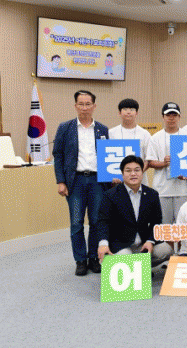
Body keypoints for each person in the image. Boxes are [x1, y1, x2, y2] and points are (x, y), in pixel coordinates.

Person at [53, 90, 109, 276]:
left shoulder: (102, 129)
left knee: (96, 221)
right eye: (81, 104)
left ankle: (94, 257)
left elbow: (108, 156)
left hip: (97, 181)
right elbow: (58, 155)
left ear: (94, 106)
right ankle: (80, 260)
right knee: (76, 222)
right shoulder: (65, 128)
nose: (84, 108)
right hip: (75, 181)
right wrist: (61, 181)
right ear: (75, 106)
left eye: (88, 104)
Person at [96, 156, 173, 268]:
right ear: (122, 174)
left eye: (137, 170)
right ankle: (136, 268)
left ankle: (137, 268)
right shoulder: (110, 195)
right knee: (124, 256)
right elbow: (103, 222)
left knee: (166, 250)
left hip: (143, 243)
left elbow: (156, 221)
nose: (133, 174)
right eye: (128, 170)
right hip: (122, 244)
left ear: (142, 172)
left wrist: (150, 241)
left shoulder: (152, 194)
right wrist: (103, 244)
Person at [145, 102, 187, 224]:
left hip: (184, 189)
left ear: (179, 117)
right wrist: (163, 163)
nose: (171, 118)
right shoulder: (155, 138)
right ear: (163, 117)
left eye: (174, 115)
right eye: (168, 115)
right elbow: (150, 162)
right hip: (162, 190)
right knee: (164, 226)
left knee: (183, 226)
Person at [108, 98, 152, 186]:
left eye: (132, 109)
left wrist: (136, 173)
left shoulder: (145, 134)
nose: (128, 112)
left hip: (139, 181)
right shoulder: (111, 133)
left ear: (137, 113)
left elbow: (148, 160)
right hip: (118, 180)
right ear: (119, 113)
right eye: (125, 109)